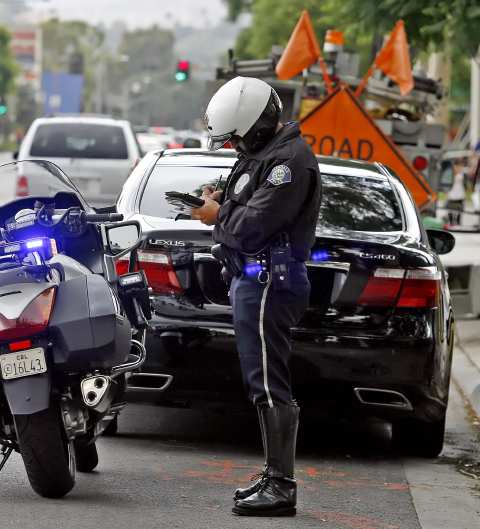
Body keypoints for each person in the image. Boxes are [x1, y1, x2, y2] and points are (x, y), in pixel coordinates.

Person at [192, 76, 321, 517]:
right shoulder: (263, 156)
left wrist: (216, 214)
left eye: (236, 139)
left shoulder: (288, 163)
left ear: (256, 127)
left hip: (270, 281)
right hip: (255, 281)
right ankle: (273, 474)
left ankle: (282, 485)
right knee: (261, 381)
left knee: (268, 382)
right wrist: (217, 199)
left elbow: (252, 226)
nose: (232, 148)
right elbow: (241, 204)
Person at [446, 159, 467, 225]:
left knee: (459, 210)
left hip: (460, 194)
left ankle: (458, 222)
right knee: (450, 209)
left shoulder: (463, 174)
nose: (458, 168)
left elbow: (465, 183)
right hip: (451, 194)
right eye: (456, 166)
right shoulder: (450, 173)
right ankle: (451, 222)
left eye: (460, 166)